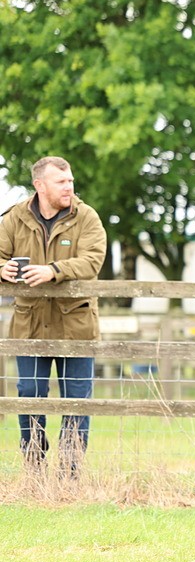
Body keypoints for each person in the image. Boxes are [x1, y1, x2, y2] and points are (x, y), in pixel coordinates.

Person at [0, 156, 107, 477]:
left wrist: (53, 270)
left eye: (70, 181)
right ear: (39, 185)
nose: (69, 187)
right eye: (61, 182)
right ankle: (34, 470)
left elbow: (92, 261)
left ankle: (70, 473)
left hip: (76, 326)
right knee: (29, 396)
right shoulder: (14, 218)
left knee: (77, 401)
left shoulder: (86, 217)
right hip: (29, 325)